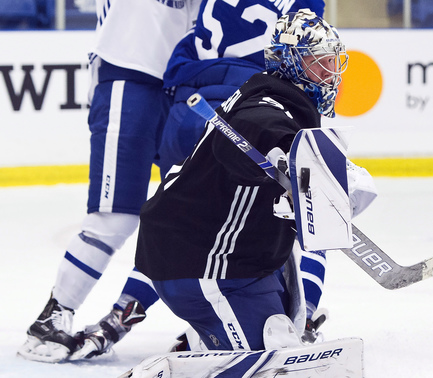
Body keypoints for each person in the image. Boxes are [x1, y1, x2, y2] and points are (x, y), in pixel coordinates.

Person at [134, 9, 350, 351]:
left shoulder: (279, 100)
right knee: (274, 352)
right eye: (318, 62)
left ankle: (206, 343)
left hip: (229, 259)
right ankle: (216, 340)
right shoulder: (266, 105)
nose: (329, 73)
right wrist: (286, 152)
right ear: (291, 63)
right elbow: (260, 128)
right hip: (203, 264)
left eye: (332, 62)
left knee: (284, 327)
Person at [17, 0, 200, 363]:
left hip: (180, 85)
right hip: (129, 73)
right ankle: (53, 316)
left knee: (188, 220)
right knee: (114, 217)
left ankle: (129, 319)